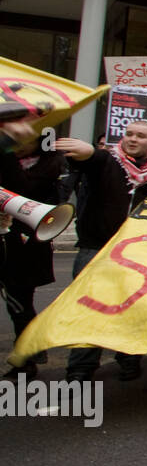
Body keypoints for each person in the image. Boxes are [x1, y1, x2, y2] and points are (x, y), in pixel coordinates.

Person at [53, 121, 147, 382]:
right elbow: (92, 158)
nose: (133, 139)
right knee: (88, 309)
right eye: (129, 134)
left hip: (138, 252)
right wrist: (86, 151)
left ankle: (129, 359)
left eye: (141, 136)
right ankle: (81, 369)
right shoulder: (108, 161)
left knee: (131, 309)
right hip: (96, 247)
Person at [0, 140, 66, 379]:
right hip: (7, 240)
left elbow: (24, 190)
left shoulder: (49, 166)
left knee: (19, 304)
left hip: (23, 247)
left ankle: (26, 359)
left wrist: (4, 152)